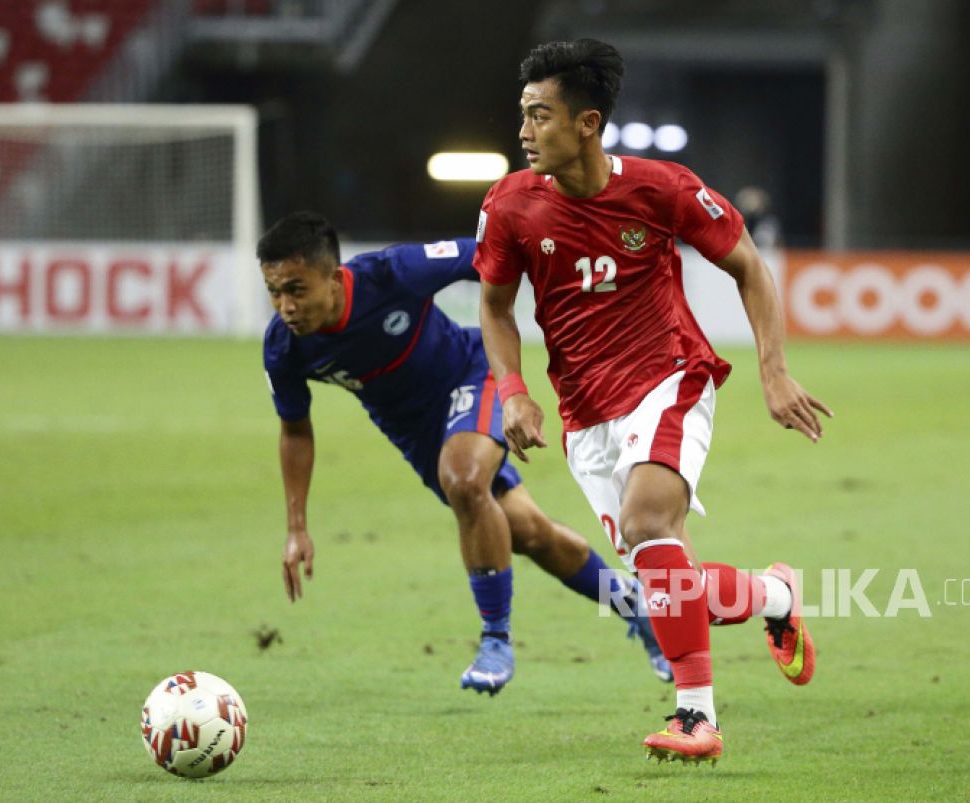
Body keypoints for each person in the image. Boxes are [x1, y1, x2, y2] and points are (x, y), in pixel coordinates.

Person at [475, 40, 833, 763]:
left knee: (647, 523)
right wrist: (513, 390)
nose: (523, 131)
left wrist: (773, 371)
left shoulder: (663, 188)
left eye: (538, 115)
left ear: (587, 122)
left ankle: (696, 718)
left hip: (669, 377)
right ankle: (773, 595)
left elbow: (749, 268)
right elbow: (494, 306)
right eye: (522, 115)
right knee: (671, 587)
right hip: (584, 414)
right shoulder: (510, 205)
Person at [257, 211, 671, 696]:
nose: (285, 306)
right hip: (416, 433)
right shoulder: (284, 347)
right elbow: (295, 431)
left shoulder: (393, 273)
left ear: (332, 277)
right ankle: (636, 607)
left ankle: (495, 638)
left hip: (474, 375)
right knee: (531, 535)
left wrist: (576, 297)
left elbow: (486, 255)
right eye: (274, 291)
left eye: (296, 289)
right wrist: (297, 527)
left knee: (464, 479)